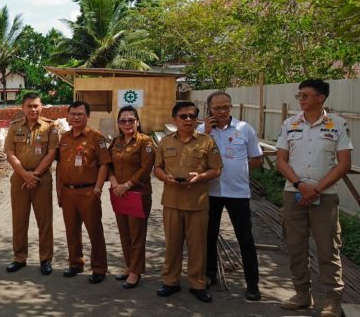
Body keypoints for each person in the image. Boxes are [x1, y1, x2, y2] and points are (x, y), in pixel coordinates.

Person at [276, 79, 352, 317]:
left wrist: (316, 188)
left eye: (306, 95)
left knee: (328, 247)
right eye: (299, 95)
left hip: (325, 196)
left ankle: (332, 299)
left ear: (321, 98)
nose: (301, 99)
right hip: (293, 194)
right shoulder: (290, 124)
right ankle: (301, 293)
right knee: (295, 245)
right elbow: (281, 160)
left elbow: (344, 164)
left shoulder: (337, 124)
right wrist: (300, 185)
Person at [154, 101, 222, 303]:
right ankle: (170, 281)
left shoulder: (207, 142)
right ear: (174, 119)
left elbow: (216, 169)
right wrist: (166, 178)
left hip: (197, 203)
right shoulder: (165, 142)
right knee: (172, 245)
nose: (188, 120)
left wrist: (199, 177)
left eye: (192, 116)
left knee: (197, 246)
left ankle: (198, 284)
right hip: (172, 202)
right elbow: (157, 168)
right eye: (183, 116)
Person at [198, 91, 263, 301]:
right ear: (209, 110)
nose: (222, 112)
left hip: (238, 193)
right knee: (209, 235)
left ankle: (252, 283)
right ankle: (210, 274)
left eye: (226, 107)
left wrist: (239, 171)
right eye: (217, 108)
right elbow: (196, 158)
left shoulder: (245, 129)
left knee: (245, 238)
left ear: (231, 107)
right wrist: (207, 133)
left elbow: (256, 158)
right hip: (211, 192)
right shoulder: (202, 130)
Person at [55, 101, 111, 284]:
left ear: (88, 116)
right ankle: (75, 263)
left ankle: (99, 267)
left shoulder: (97, 137)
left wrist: (98, 188)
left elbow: (104, 164)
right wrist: (59, 191)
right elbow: (60, 166)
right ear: (68, 116)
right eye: (73, 114)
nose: (76, 117)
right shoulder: (63, 137)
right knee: (72, 231)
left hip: (88, 192)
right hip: (68, 192)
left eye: (80, 114)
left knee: (94, 231)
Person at [3, 92, 58, 275]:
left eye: (36, 105)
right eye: (29, 106)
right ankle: (19, 258)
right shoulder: (14, 127)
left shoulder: (50, 127)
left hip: (41, 179)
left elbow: (52, 153)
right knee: (19, 220)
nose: (33, 109)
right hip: (19, 178)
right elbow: (10, 153)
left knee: (44, 221)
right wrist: (25, 175)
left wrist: (34, 175)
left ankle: (45, 259)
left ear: (41, 106)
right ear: (23, 108)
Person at [107, 105, 155, 289]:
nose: (127, 123)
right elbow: (108, 163)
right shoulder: (116, 142)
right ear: (118, 124)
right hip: (119, 193)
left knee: (137, 234)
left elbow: (145, 168)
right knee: (124, 233)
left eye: (130, 120)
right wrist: (114, 183)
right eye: (123, 120)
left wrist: (126, 185)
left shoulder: (145, 142)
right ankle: (129, 266)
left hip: (137, 194)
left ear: (137, 122)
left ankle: (136, 271)